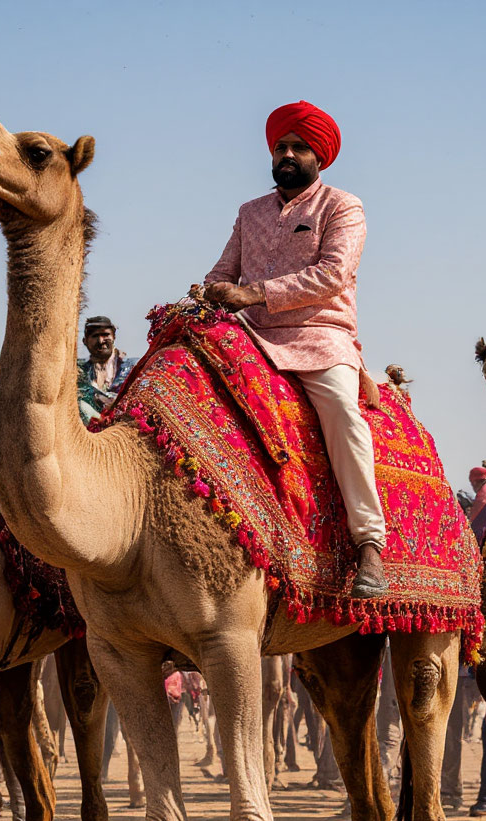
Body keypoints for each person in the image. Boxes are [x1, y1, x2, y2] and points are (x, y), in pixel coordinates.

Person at [204, 101, 387, 598]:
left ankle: (369, 543)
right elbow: (224, 271)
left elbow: (333, 275)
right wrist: (213, 291)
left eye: (298, 147)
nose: (286, 154)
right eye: (280, 146)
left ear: (318, 158)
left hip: (318, 335)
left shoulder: (341, 206)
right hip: (249, 332)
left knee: (344, 414)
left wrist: (255, 293)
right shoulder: (249, 213)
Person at [76, 315, 137, 423]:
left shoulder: (134, 368)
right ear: (85, 341)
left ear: (114, 337)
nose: (101, 341)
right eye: (95, 336)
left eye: (105, 335)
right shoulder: (77, 372)